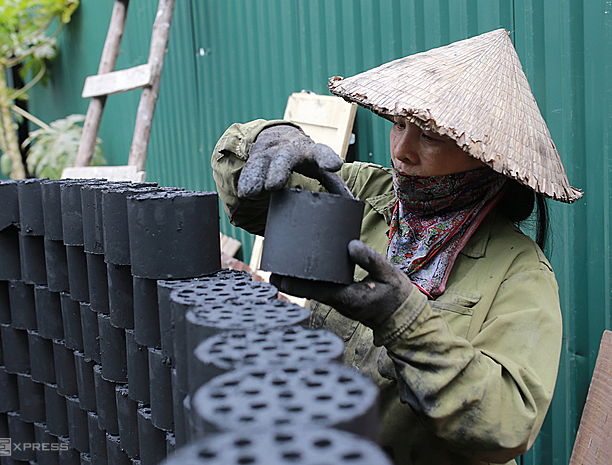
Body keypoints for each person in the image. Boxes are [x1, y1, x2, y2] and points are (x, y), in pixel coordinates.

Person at [211, 29, 582, 465]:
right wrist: (271, 138)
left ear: (487, 157)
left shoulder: (519, 272)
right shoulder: (364, 191)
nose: (401, 151)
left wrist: (405, 321)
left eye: (431, 135)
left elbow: (505, 425)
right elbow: (247, 201)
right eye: (400, 124)